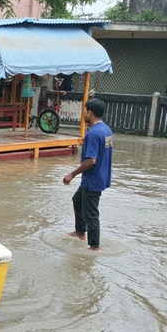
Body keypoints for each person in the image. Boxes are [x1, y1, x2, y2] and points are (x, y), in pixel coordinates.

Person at [63, 98, 112, 251]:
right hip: (98, 177)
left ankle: (94, 246)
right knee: (77, 200)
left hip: (93, 179)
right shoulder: (106, 130)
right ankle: (79, 232)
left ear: (89, 113)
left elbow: (91, 160)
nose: (83, 114)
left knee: (91, 213)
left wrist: (72, 174)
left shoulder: (93, 134)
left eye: (85, 111)